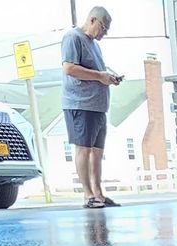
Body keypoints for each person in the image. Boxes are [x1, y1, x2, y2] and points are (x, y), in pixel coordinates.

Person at [60, 7, 122, 209]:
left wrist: (108, 77)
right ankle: (88, 196)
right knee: (84, 149)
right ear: (93, 19)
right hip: (80, 104)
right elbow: (69, 68)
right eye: (103, 27)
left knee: (96, 152)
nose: (104, 33)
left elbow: (96, 72)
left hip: (97, 106)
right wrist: (100, 76)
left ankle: (99, 194)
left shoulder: (94, 45)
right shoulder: (73, 37)